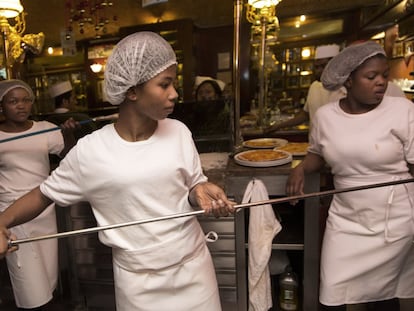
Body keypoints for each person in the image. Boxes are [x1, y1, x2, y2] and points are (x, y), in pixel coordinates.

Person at [0, 32, 235, 310]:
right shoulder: (91, 151)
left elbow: (192, 185)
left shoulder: (179, 131)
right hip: (139, 284)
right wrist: (2, 221)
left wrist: (200, 190)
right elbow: (42, 194)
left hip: (194, 270)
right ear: (132, 91)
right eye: (164, 84)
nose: (174, 94)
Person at [285, 41, 414, 311]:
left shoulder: (403, 110)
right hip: (347, 219)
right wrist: (301, 167)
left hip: (394, 220)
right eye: (371, 77)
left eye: (384, 75)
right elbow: (318, 154)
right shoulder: (325, 116)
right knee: (332, 292)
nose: (380, 82)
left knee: (383, 295)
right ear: (349, 80)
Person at [0, 79, 78, 310]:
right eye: (13, 101)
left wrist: (69, 135)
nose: (21, 106)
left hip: (44, 211)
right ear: (1, 105)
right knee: (29, 283)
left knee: (47, 276)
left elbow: (70, 156)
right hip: (12, 214)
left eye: (26, 100)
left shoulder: (45, 129)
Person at [265, 44, 344, 134]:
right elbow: (305, 114)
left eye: (323, 66)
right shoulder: (314, 86)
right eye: (317, 67)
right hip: (315, 144)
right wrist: (279, 126)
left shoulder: (345, 89)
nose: (319, 70)